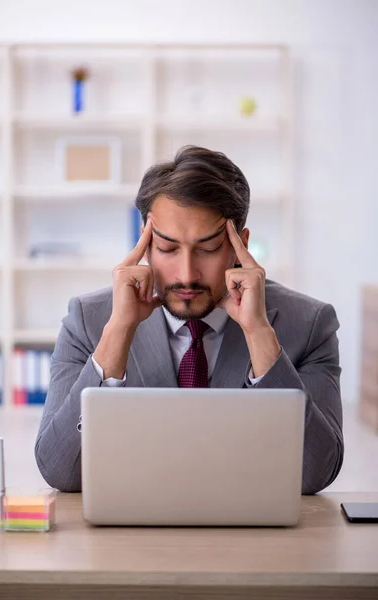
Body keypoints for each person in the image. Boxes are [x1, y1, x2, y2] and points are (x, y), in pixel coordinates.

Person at [35, 145, 344, 494]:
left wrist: (259, 334)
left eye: (208, 249)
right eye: (167, 249)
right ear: (145, 244)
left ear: (240, 244)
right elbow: (59, 470)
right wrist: (117, 334)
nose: (186, 274)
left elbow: (317, 473)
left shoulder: (309, 324)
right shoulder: (88, 321)